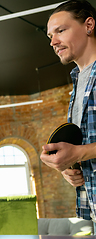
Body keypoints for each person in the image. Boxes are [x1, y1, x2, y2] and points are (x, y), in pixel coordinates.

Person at [40, 0, 96, 226]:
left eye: (60, 31)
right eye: (50, 36)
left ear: (89, 25)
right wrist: (70, 168)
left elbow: (82, 150)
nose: (53, 42)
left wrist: (79, 153)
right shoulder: (77, 82)